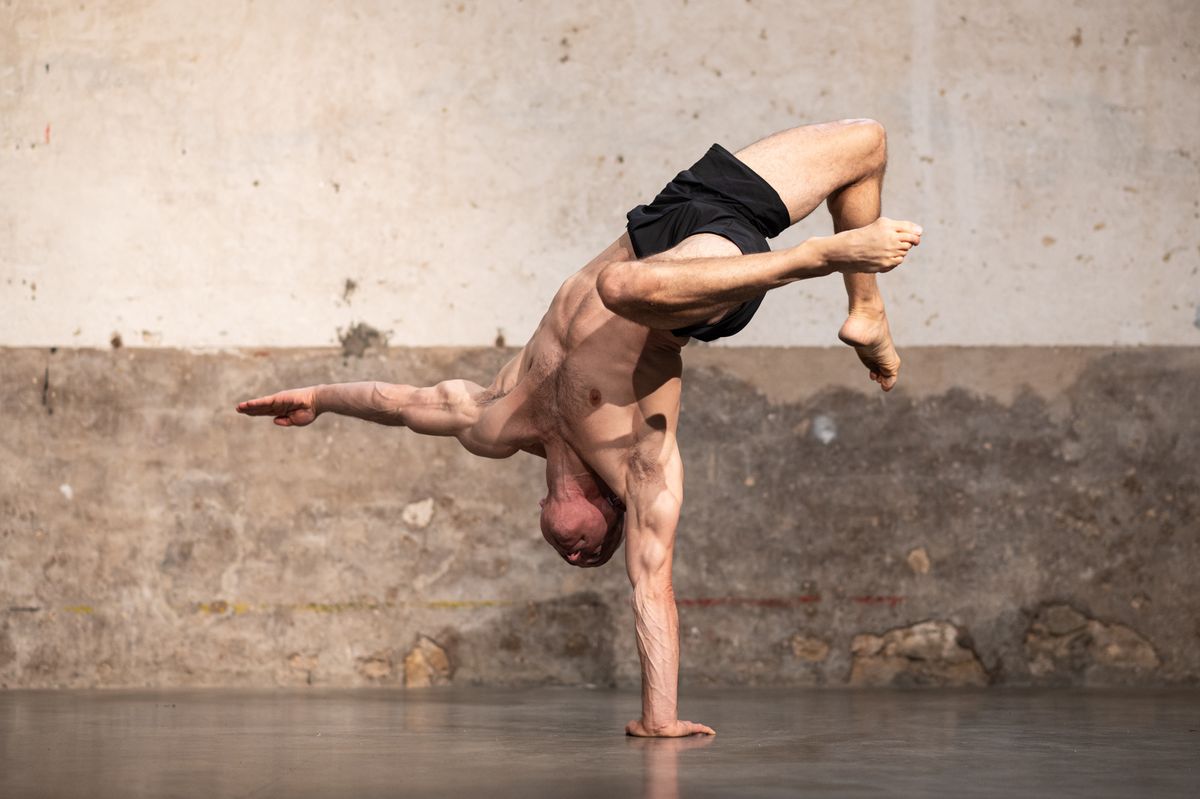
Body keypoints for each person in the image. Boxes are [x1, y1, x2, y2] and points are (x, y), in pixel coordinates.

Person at [236, 119, 922, 737]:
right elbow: (652, 584)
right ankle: (820, 257)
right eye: (593, 556)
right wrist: (660, 716)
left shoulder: (494, 419)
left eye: (577, 557)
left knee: (867, 144)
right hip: (699, 285)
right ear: (612, 514)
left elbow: (398, 401)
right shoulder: (639, 460)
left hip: (665, 219)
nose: (577, 558)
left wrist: (320, 395)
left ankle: (867, 309)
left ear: (545, 506)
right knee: (621, 289)